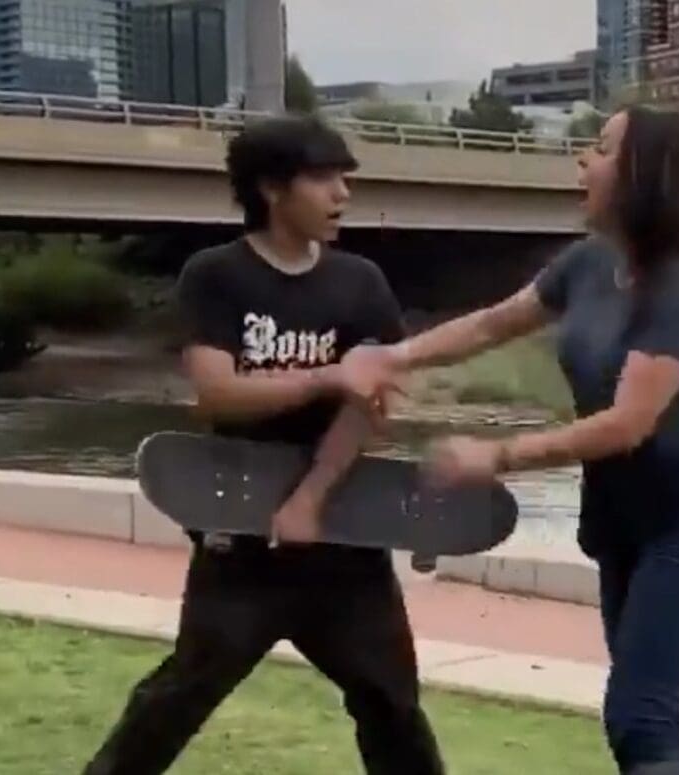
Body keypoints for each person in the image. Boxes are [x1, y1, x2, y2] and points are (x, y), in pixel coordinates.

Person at [342, 106, 679, 774]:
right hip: (625, 517)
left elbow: (628, 422)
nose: (583, 159)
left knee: (640, 712)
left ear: (644, 172)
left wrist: (497, 454)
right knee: (641, 713)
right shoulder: (589, 263)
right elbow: (494, 323)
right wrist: (394, 358)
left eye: (602, 148)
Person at [82, 116, 445, 775]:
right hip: (240, 538)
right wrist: (329, 374)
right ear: (272, 188)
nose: (342, 194)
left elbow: (373, 407)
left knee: (392, 705)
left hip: (345, 540)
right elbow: (218, 392)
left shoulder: (361, 282)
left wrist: (311, 496)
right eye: (324, 178)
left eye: (345, 179)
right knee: (177, 697)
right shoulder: (216, 275)